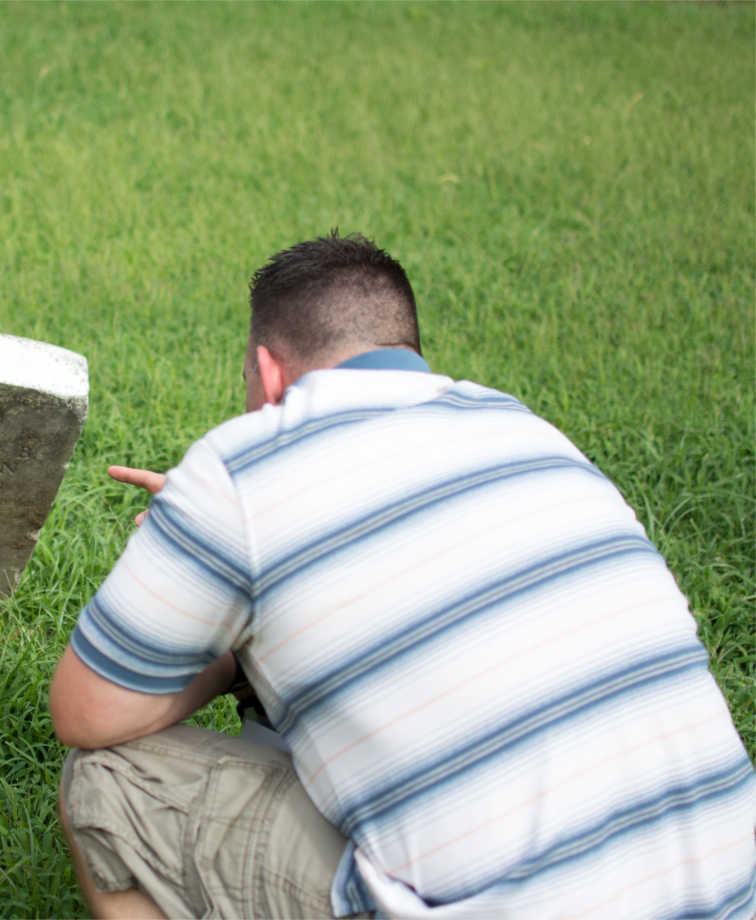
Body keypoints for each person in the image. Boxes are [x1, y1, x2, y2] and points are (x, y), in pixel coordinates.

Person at [50, 233, 756, 919]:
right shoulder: (533, 435)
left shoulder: (243, 467)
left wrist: (230, 628)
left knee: (108, 782)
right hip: (729, 890)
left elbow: (86, 714)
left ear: (269, 375)